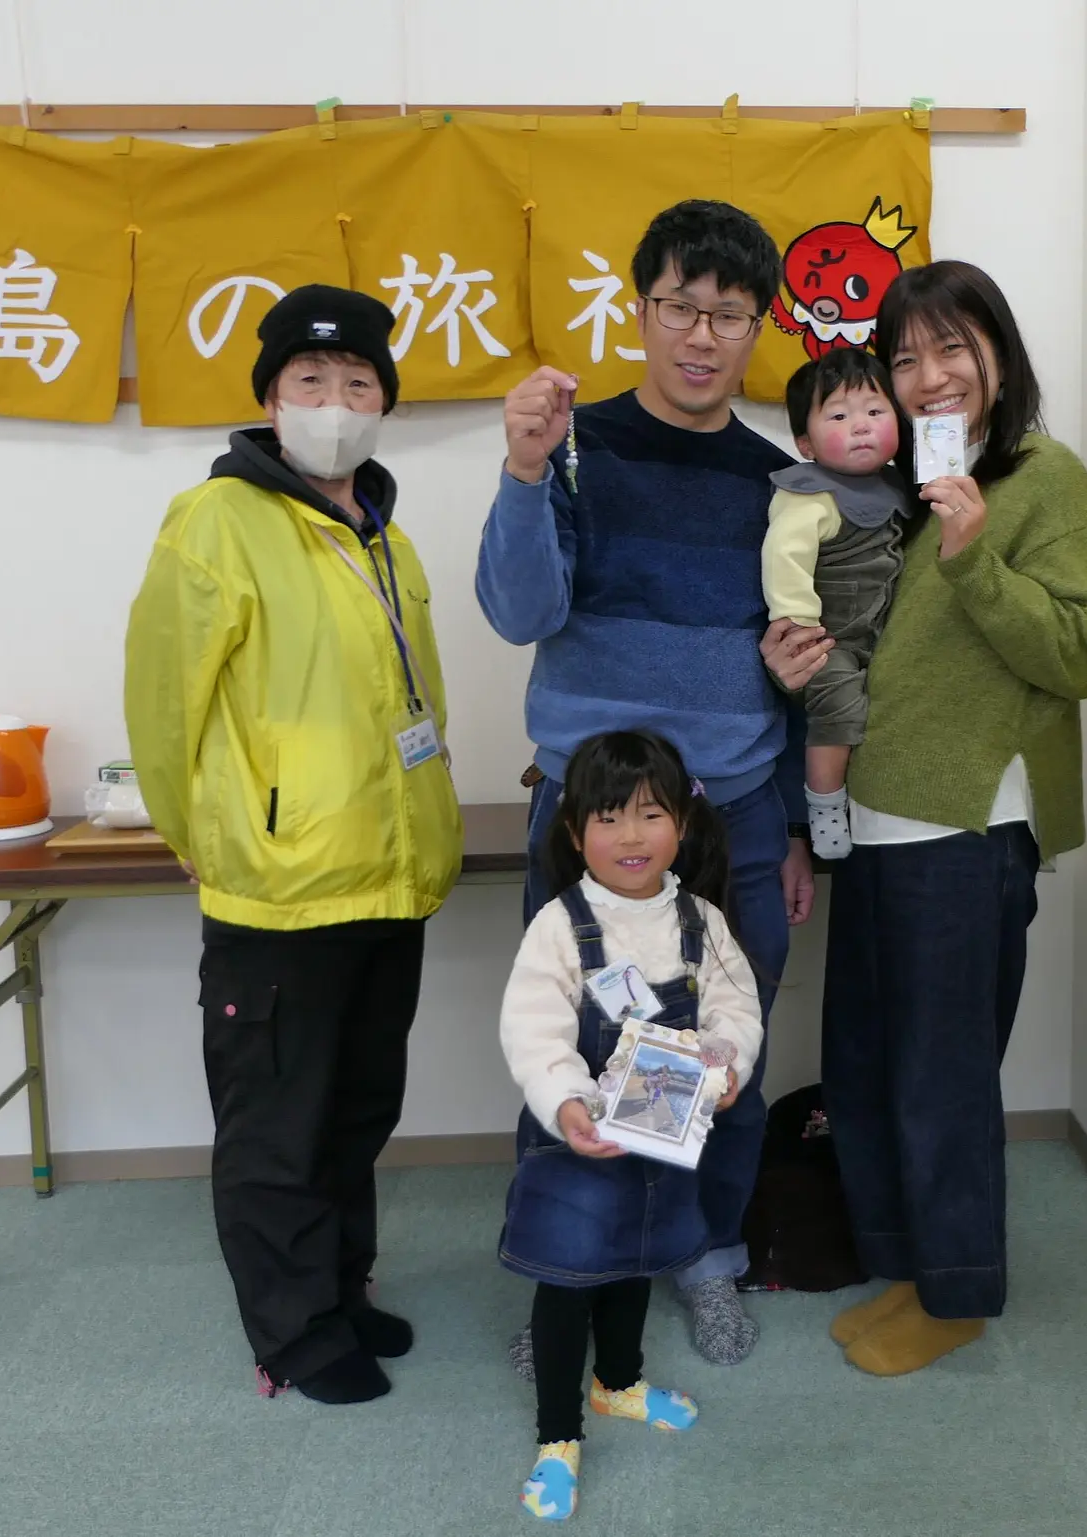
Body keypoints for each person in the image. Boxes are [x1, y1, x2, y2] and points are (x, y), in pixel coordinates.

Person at [765, 261, 1087, 1375]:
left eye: (952, 348)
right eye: (905, 357)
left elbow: (1086, 651)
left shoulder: (1043, 480)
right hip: (870, 822)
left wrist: (975, 561)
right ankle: (904, 1262)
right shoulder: (895, 485)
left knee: (942, 1077)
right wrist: (795, 659)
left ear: (998, 354)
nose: (928, 377)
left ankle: (957, 1291)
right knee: (865, 1064)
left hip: (966, 829)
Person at [477, 200, 815, 1367]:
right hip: (593, 822)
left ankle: (705, 1254)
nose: (702, 336)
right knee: (576, 1053)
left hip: (733, 819)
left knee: (723, 1054)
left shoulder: (781, 483)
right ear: (641, 309)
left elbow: (796, 666)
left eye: (729, 315)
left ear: (758, 327)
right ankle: (572, 1273)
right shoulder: (575, 448)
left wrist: (795, 827)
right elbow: (520, 611)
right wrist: (525, 471)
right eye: (680, 307)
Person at [124, 285, 463, 1405]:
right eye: (310, 382)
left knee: (356, 1112)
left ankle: (341, 1290)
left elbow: (414, 702)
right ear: (271, 400)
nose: (335, 403)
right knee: (277, 1123)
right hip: (279, 887)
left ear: (384, 403)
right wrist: (197, 832)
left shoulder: (384, 533)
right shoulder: (215, 521)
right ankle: (293, 1330)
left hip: (388, 877)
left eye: (358, 383)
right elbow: (164, 700)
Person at [500, 731, 763, 1523]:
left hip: (661, 1139)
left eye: (650, 814)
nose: (631, 835)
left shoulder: (700, 920)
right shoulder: (560, 924)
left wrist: (724, 1067)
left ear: (682, 821)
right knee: (568, 1282)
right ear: (574, 829)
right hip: (577, 1143)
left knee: (635, 1263)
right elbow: (534, 1029)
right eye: (609, 818)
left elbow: (734, 1009)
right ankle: (557, 1436)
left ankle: (617, 1383)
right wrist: (567, 1101)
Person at [762, 348, 909, 859]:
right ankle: (824, 804)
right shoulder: (808, 493)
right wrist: (799, 628)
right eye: (840, 416)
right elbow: (785, 556)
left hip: (883, 632)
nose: (861, 426)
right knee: (840, 706)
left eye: (875, 411)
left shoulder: (897, 486)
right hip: (829, 639)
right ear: (805, 442)